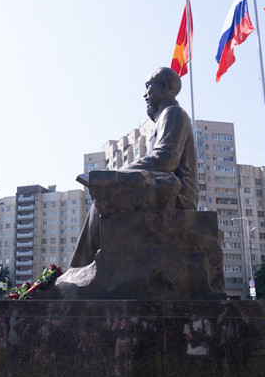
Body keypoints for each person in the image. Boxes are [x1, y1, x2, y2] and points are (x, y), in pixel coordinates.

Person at [70, 66, 197, 269]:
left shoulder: (174, 113)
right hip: (164, 188)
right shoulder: (164, 116)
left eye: (149, 87)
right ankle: (85, 266)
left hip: (178, 194)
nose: (145, 94)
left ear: (164, 86)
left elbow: (166, 159)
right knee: (103, 198)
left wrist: (116, 175)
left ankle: (81, 266)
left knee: (106, 195)